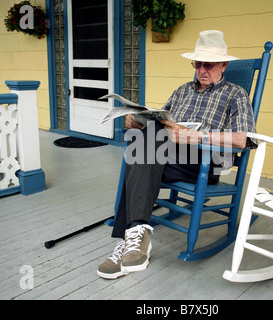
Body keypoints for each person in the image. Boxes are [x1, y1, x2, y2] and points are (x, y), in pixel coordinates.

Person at [97, 30, 257, 279]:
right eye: (198, 64)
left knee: (139, 150)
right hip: (169, 154)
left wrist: (197, 137)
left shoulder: (236, 94)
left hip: (205, 160)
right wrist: (136, 121)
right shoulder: (182, 90)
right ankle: (135, 236)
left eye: (209, 65)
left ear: (224, 65)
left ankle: (131, 237)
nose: (202, 70)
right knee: (141, 140)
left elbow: (244, 139)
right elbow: (161, 120)